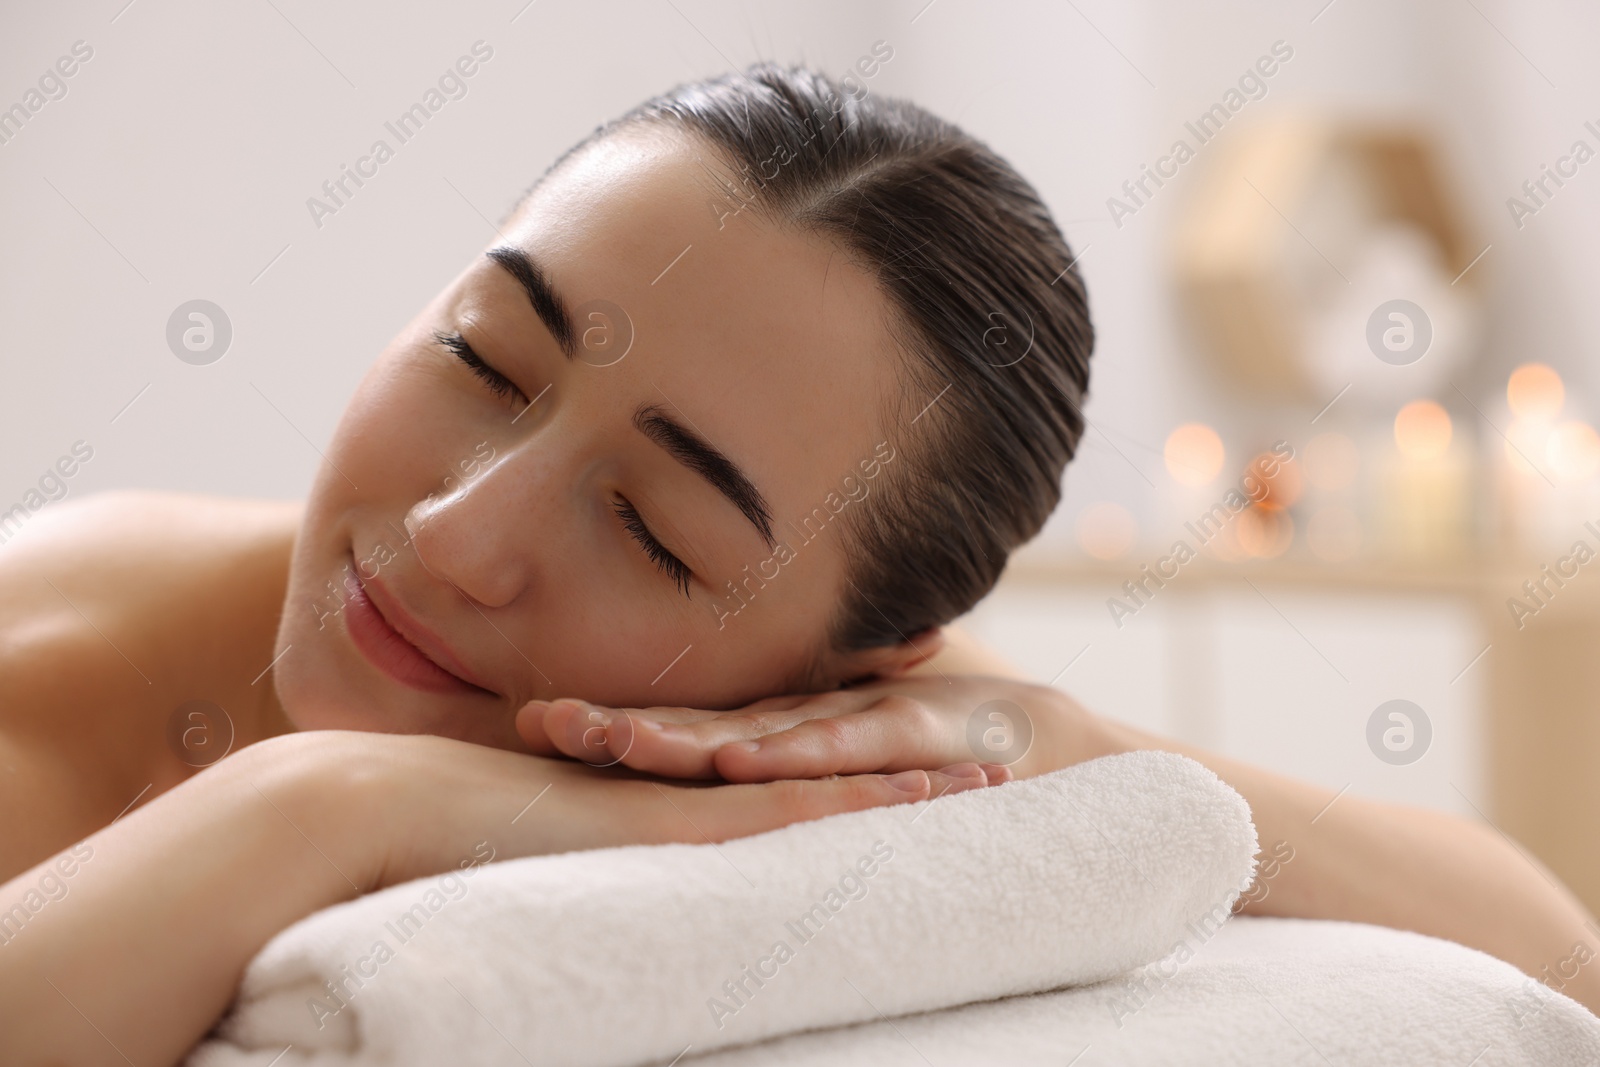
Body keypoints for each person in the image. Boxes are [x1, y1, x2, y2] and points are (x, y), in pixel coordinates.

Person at [1, 63, 1594, 1066]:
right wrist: (323, 804)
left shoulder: (831, 734)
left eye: (650, 531)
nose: (452, 539)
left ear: (856, 665)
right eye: (486, 360)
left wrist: (1092, 748)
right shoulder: (60, 644)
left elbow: (1546, 957)